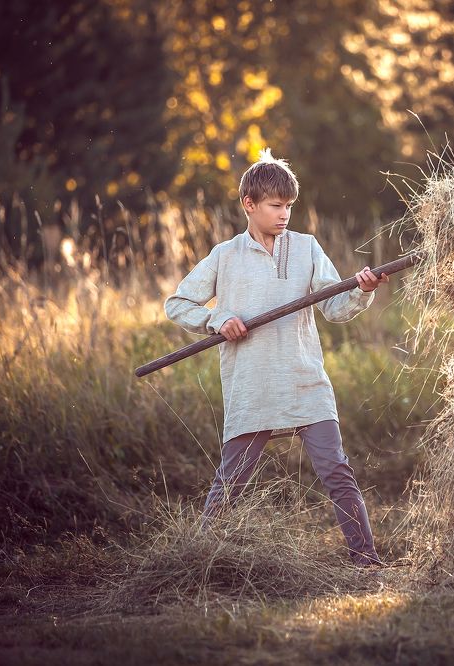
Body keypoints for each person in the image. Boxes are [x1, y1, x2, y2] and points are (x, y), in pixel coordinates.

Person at [164, 148, 389, 566]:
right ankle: (196, 560)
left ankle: (366, 559)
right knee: (231, 481)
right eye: (275, 206)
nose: (284, 214)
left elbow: (335, 310)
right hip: (252, 383)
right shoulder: (225, 255)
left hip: (304, 378)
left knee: (337, 472)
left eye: (288, 206)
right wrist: (219, 320)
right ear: (249, 205)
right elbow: (177, 304)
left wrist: (361, 289)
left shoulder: (306, 248)